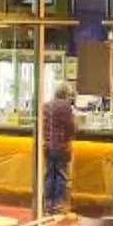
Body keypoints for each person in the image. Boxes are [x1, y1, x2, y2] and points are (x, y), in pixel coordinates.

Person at [38, 81, 77, 212]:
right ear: (65, 93)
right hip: (61, 146)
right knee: (61, 175)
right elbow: (70, 126)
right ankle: (58, 204)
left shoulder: (46, 105)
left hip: (47, 146)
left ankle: (47, 203)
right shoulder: (65, 106)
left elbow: (42, 125)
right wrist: (71, 136)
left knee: (49, 174)